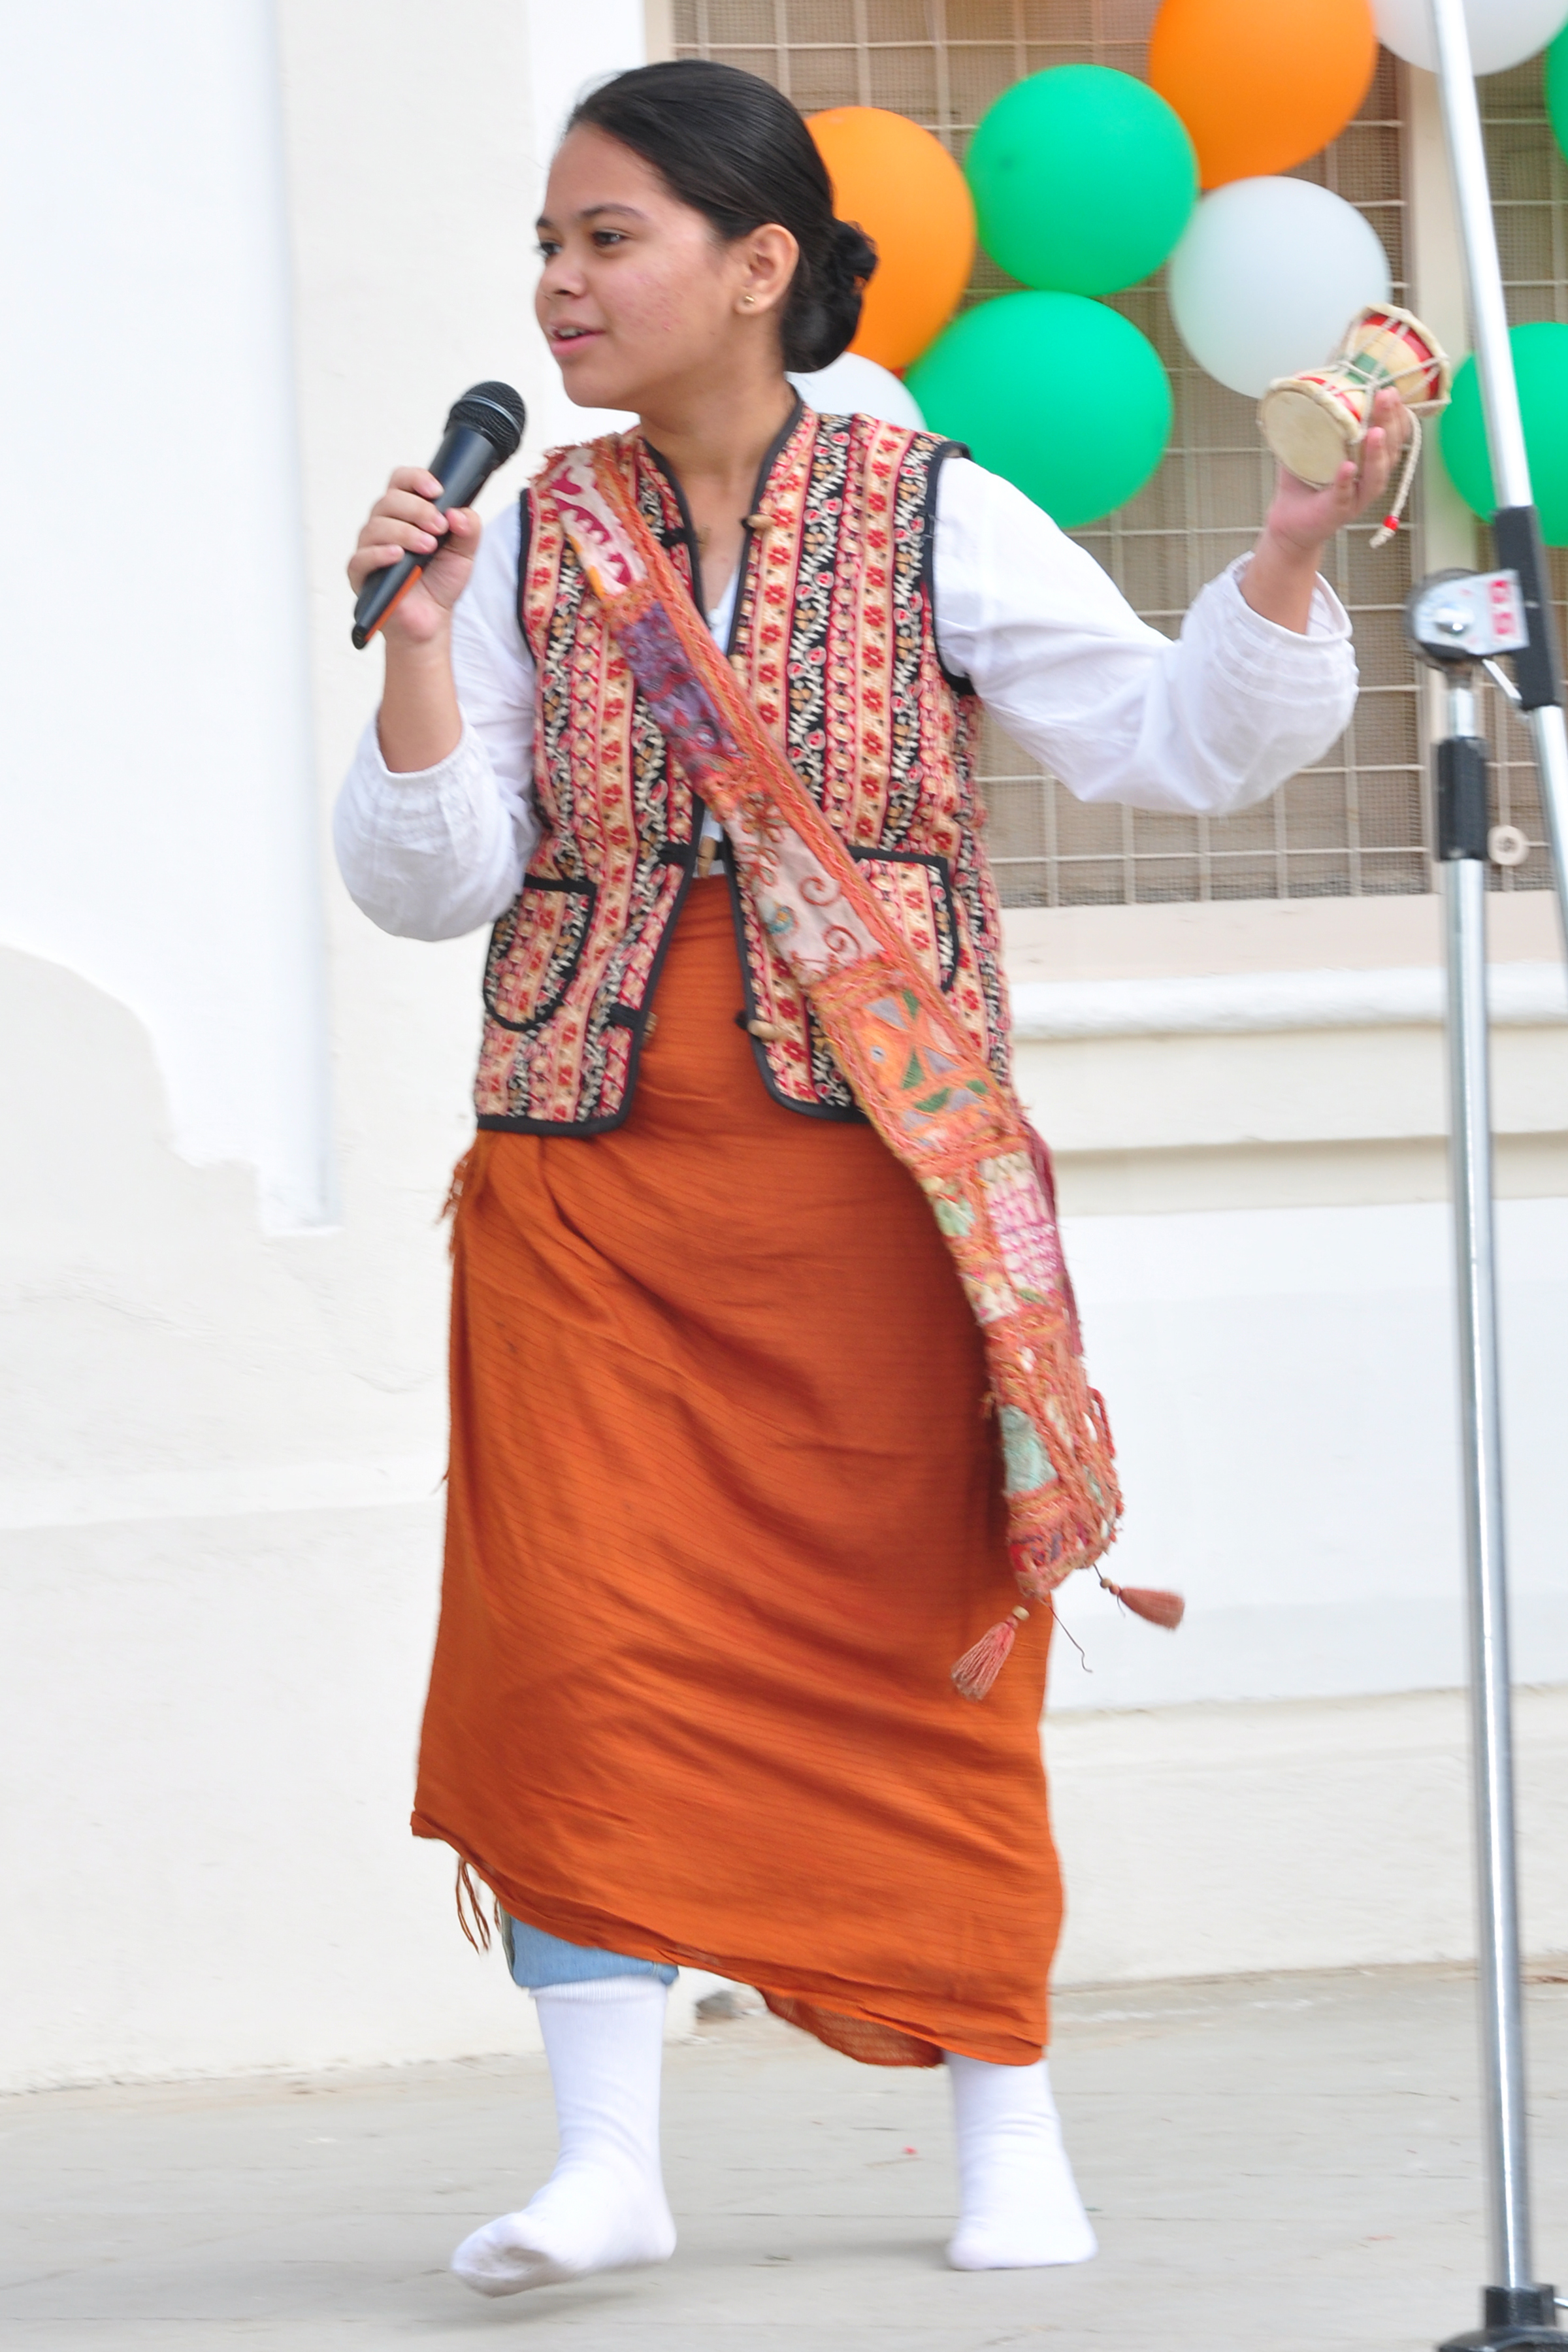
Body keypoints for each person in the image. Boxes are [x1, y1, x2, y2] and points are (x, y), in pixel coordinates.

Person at [335, 56, 1390, 2298]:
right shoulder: (528, 535)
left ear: (759, 266)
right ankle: (606, 2161)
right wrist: (419, 649)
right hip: (584, 1191)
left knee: (931, 1649)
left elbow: (1179, 746)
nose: (559, 285)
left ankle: (1004, 2114)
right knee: (574, 1651)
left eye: (606, 239)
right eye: (546, 244)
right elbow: (431, 880)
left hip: (876, 1200)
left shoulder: (935, 514)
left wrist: (1290, 549)